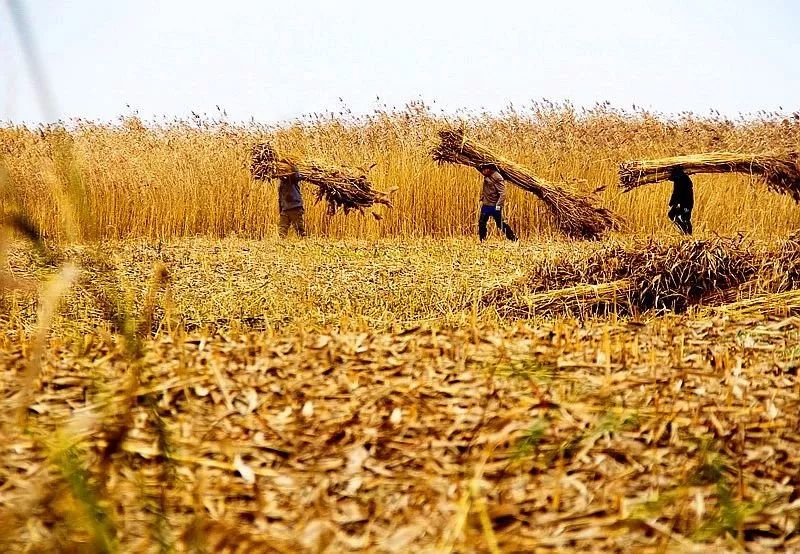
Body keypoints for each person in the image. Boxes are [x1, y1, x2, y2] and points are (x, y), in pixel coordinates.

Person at [478, 163, 518, 242]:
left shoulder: (497, 177)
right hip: (486, 204)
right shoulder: (487, 173)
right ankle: (482, 240)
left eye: (484, 169)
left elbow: (502, 193)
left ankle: (513, 238)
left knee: (500, 224)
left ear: (489, 169)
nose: (483, 172)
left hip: (494, 205)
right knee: (482, 222)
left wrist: (498, 206)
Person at [277, 170, 306, 238]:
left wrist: (291, 166)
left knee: (299, 229)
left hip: (295, 207)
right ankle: (280, 246)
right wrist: (281, 209)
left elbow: (297, 176)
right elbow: (280, 197)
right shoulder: (282, 183)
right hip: (285, 208)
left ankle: (304, 243)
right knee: (282, 230)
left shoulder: (292, 178)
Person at [667, 166, 694, 235]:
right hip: (688, 203)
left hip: (684, 203)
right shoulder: (685, 179)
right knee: (685, 218)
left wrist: (674, 203)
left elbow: (677, 193)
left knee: (674, 215)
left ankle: (685, 231)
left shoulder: (680, 180)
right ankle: (687, 233)